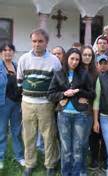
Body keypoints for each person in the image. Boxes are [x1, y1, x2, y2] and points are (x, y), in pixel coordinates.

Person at [17, 28, 61, 176]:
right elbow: (19, 81)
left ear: (46, 42)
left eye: (40, 41)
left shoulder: (54, 61)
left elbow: (58, 83)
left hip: (45, 104)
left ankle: (50, 164)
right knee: (28, 135)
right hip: (27, 103)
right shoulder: (24, 59)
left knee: (49, 136)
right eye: (34, 41)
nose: (37, 44)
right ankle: (29, 163)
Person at [47, 48, 95, 176]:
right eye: (72, 59)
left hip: (81, 116)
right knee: (66, 148)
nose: (74, 62)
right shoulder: (58, 73)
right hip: (63, 115)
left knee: (78, 148)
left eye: (77, 59)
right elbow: (50, 94)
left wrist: (80, 92)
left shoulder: (84, 74)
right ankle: (65, 173)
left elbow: (92, 94)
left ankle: (76, 173)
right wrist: (63, 94)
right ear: (66, 58)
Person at [0, 43, 25, 169]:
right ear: (1, 53)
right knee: (2, 131)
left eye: (10, 50)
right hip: (3, 103)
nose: (7, 52)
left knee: (16, 131)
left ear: (13, 52)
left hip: (17, 103)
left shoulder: (17, 65)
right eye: (5, 50)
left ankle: (19, 156)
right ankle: (0, 158)